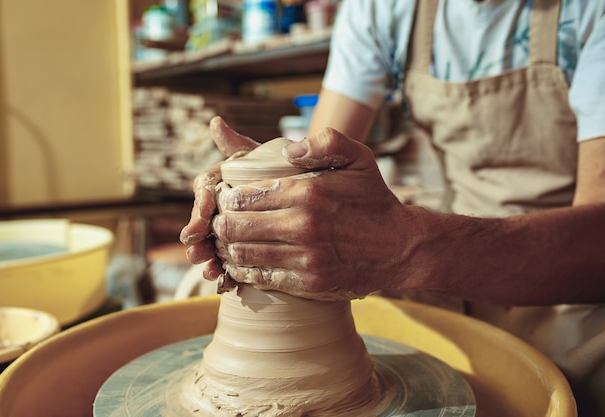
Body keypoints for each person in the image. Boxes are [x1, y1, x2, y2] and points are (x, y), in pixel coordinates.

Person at [181, 0, 605, 414]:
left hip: (560, 268)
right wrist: (262, 192)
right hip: (452, 237)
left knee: (587, 375)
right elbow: (313, 165)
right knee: (207, 283)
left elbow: (596, 246)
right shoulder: (384, 7)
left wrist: (405, 247)